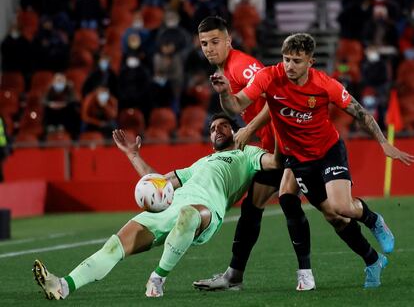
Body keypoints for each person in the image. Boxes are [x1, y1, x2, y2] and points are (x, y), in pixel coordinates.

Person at [208, 32, 414, 288]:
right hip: (297, 159)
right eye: (286, 59)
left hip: (328, 151)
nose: (289, 66)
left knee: (343, 208)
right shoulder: (269, 76)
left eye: (296, 60)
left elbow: (360, 112)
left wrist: (384, 144)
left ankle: (373, 220)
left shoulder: (325, 84)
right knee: (331, 215)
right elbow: (236, 106)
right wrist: (225, 93)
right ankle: (372, 261)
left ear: (310, 61)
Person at [32, 112, 279, 300]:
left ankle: (158, 278)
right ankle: (62, 285)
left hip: (206, 211)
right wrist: (132, 155)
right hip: (169, 209)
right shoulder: (199, 163)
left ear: (235, 130)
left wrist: (282, 130)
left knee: (188, 214)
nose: (216, 130)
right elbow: (159, 182)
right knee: (114, 245)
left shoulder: (247, 154)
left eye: (223, 125)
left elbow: (275, 162)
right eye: (212, 128)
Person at [192, 16, 314, 292]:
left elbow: (279, 95)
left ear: (228, 41)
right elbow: (236, 106)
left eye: (214, 42)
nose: (209, 48)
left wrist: (248, 128)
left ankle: (367, 234)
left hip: (293, 143)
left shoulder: (242, 66)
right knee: (255, 207)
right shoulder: (226, 71)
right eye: (204, 44)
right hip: (274, 149)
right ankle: (234, 276)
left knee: (330, 210)